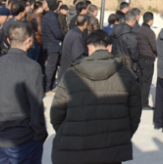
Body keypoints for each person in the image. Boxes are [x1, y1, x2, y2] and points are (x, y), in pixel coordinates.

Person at [50, 29, 141, 164]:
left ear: (89, 49)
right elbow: (134, 114)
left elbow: (57, 112)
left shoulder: (71, 73)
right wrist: (119, 136)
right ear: (110, 48)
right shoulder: (126, 75)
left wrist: (70, 133)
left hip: (77, 147)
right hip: (111, 149)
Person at [0, 21, 47, 163]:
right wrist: (40, 132)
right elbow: (35, 106)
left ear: (8, 40)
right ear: (29, 40)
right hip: (23, 138)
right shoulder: (32, 67)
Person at [57, 14, 88, 84]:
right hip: (70, 72)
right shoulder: (77, 36)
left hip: (65, 68)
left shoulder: (71, 32)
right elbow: (77, 56)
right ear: (86, 23)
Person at [42, 0, 64, 92]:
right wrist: (64, 37)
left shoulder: (47, 16)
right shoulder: (52, 18)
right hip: (52, 46)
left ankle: (49, 85)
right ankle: (47, 87)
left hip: (47, 44)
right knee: (51, 68)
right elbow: (57, 34)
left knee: (51, 67)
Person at [136, 11, 158, 109]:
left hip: (139, 57)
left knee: (140, 80)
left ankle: (138, 101)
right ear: (151, 20)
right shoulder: (150, 33)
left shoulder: (138, 30)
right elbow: (154, 47)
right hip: (148, 59)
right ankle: (144, 103)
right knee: (146, 81)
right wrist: (157, 54)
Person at [112, 9, 140, 75]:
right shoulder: (131, 36)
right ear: (133, 20)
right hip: (127, 67)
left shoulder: (114, 30)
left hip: (115, 64)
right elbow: (135, 56)